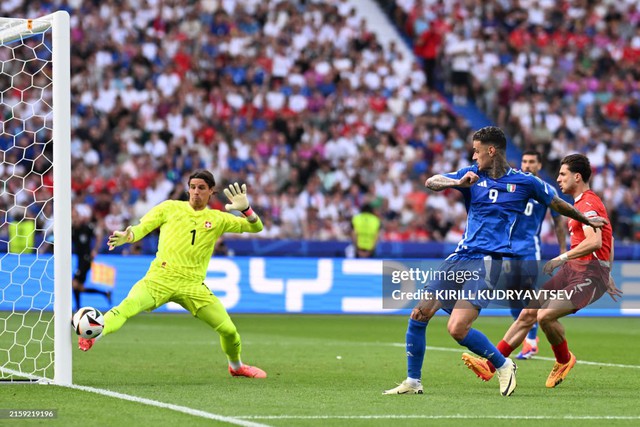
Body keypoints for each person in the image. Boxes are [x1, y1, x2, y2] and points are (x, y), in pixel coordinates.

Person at [383, 127, 607, 397]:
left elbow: (557, 204)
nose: (473, 156)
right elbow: (432, 181)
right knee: (419, 314)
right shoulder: (471, 175)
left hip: (490, 261)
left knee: (457, 329)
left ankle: (502, 365)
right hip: (460, 256)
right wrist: (457, 183)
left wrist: (586, 220)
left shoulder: (525, 182)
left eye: (477, 151)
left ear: (492, 150)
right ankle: (412, 381)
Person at [76, 170, 267, 379]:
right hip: (160, 279)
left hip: (193, 286)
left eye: (201, 188)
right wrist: (127, 236)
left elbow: (256, 227)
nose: (195, 192)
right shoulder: (169, 208)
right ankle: (94, 334)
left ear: (211, 191)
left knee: (229, 331)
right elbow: (142, 228)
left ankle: (236, 366)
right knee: (126, 307)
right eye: (192, 187)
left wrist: (247, 209)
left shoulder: (218, 219)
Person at [462, 154, 620, 388]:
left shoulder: (588, 203)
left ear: (577, 177)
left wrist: (570, 260)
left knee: (544, 315)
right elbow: (610, 238)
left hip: (588, 274)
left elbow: (596, 241)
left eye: (563, 174)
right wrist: (608, 268)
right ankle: (491, 365)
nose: (558, 179)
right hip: (576, 269)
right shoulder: (580, 203)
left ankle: (564, 360)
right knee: (528, 313)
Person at [503, 150, 567, 360]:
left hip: (530, 248)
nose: (527, 165)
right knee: (512, 296)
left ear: (539, 165)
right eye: (524, 161)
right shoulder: (512, 185)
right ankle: (526, 340)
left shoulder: (546, 190)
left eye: (532, 162)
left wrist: (563, 250)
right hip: (508, 248)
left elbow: (558, 221)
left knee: (529, 292)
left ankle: (531, 340)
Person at [72, 207, 110, 310]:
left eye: (75, 216)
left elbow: (99, 235)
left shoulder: (87, 228)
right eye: (72, 216)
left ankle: (78, 308)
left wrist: (96, 250)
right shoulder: (72, 230)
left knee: (74, 284)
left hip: (86, 259)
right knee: (79, 287)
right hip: (79, 260)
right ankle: (104, 293)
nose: (74, 218)